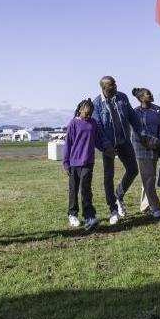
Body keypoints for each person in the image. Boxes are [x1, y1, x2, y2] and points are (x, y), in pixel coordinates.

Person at [91, 75, 142, 224]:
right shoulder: (96, 104)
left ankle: (119, 194)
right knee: (109, 177)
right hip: (108, 145)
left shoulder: (123, 98)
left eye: (115, 84)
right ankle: (113, 210)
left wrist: (142, 135)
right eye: (112, 85)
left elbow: (133, 117)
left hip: (124, 141)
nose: (116, 86)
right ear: (104, 87)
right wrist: (106, 146)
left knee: (133, 170)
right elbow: (98, 128)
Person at [63, 99, 99, 232]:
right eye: (87, 113)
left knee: (86, 189)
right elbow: (68, 144)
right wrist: (66, 163)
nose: (89, 116)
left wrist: (107, 148)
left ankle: (89, 216)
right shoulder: (73, 123)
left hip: (88, 162)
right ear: (80, 110)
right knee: (73, 190)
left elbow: (97, 140)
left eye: (91, 114)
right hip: (73, 163)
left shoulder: (93, 123)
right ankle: (72, 214)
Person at [131, 87, 160, 219]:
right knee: (149, 177)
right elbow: (137, 132)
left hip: (156, 147)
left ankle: (145, 205)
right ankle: (155, 207)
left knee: (149, 178)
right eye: (147, 93)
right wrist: (153, 142)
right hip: (142, 148)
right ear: (141, 98)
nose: (151, 94)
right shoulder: (135, 112)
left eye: (151, 92)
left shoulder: (157, 110)